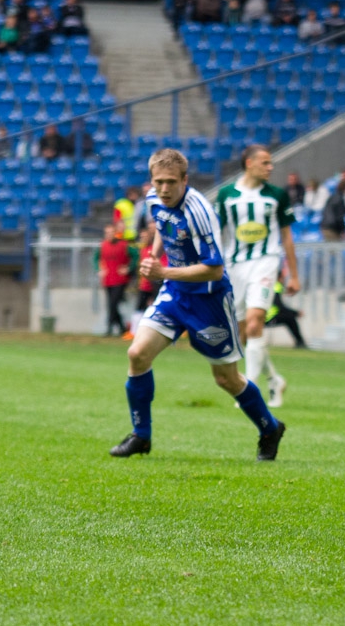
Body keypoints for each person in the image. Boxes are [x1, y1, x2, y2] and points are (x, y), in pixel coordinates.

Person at [109, 149, 286, 461]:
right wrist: (153, 255)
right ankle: (141, 435)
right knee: (137, 354)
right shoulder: (153, 199)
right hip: (176, 293)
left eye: (171, 183)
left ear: (185, 180)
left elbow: (215, 268)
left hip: (210, 301)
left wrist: (162, 271)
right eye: (158, 182)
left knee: (226, 379)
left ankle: (269, 428)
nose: (164, 189)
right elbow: (164, 228)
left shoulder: (200, 213)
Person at [216, 145, 300, 408]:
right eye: (265, 162)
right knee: (242, 334)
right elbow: (218, 234)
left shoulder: (276, 195)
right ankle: (274, 379)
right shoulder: (226, 195)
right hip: (236, 267)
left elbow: (287, 237)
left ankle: (248, 390)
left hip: (266, 263)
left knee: (255, 323)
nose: (270, 167)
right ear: (249, 163)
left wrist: (294, 276)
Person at [96, 222, 137, 338]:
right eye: (107, 233)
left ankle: (109, 327)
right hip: (108, 279)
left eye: (111, 232)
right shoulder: (103, 245)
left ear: (116, 233)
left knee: (112, 303)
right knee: (112, 304)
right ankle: (122, 328)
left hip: (120, 280)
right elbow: (95, 259)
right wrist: (99, 269)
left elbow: (136, 256)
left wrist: (128, 268)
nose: (109, 235)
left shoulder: (124, 245)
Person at [265, 270, 307, 349]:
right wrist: (296, 313)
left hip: (262, 316)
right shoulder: (277, 286)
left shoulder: (268, 284)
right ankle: (300, 342)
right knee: (290, 318)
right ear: (279, 278)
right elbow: (279, 306)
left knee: (289, 317)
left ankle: (300, 342)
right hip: (268, 317)